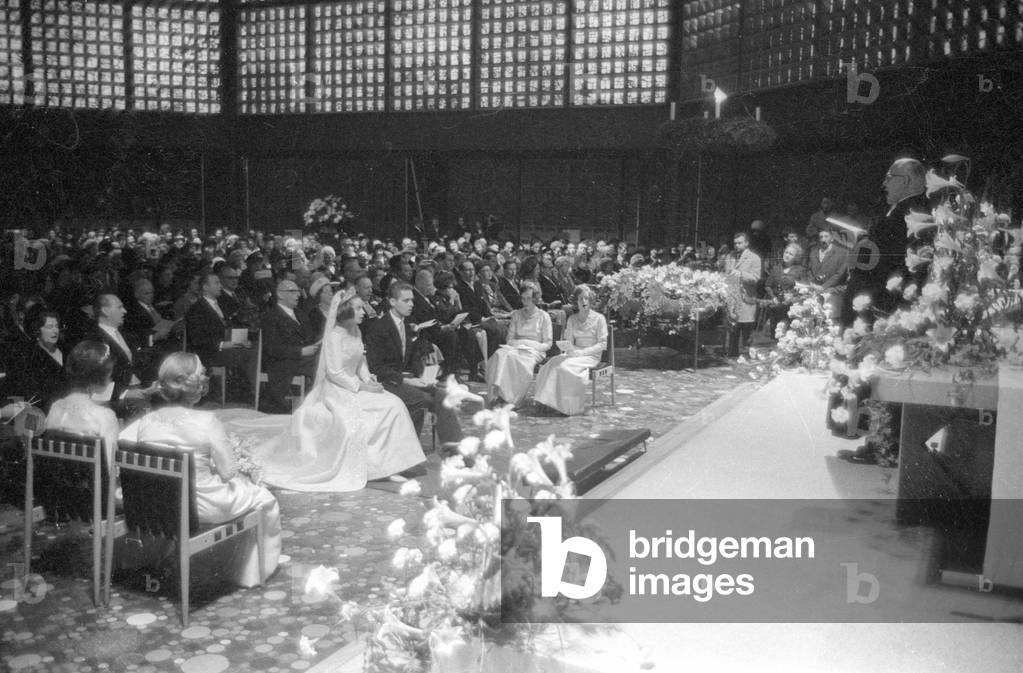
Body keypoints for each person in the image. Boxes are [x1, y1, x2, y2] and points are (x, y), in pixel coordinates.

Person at [218, 289, 427, 491]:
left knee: (394, 404)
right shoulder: (335, 335)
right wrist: (361, 386)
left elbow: (360, 360)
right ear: (346, 311)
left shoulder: (357, 330)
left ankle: (391, 463)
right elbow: (335, 372)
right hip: (338, 389)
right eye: (359, 308)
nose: (364, 312)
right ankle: (374, 467)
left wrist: (368, 377)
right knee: (359, 419)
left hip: (355, 383)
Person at [119, 353, 281, 587]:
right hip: (201, 507)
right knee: (265, 498)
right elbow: (227, 473)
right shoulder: (207, 421)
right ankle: (250, 574)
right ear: (195, 385)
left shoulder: (147, 421)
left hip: (157, 505)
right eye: (202, 373)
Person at [365, 282, 463, 447]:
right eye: (406, 300)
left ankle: (455, 449)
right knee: (421, 400)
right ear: (392, 302)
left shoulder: (407, 323)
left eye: (412, 300)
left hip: (405, 378)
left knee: (443, 395)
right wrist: (407, 381)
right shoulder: (379, 328)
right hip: (386, 381)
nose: (411, 304)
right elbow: (376, 368)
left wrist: (424, 375)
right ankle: (408, 453)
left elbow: (412, 358)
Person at [842, 157, 929, 325]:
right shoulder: (899, 210)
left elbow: (886, 259)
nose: (884, 184)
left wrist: (862, 246)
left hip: (883, 298)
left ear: (904, 181)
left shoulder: (909, 213)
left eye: (889, 178)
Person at [533, 285, 607, 416]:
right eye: (580, 299)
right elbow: (569, 340)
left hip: (591, 355)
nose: (583, 302)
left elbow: (602, 344)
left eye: (586, 298)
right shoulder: (572, 319)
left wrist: (581, 353)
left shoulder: (599, 318)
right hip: (574, 353)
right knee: (550, 364)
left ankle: (564, 406)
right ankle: (545, 402)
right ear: (575, 302)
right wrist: (568, 348)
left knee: (564, 367)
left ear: (591, 300)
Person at [46, 341, 120, 466]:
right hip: (95, 484)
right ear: (99, 377)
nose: (110, 379)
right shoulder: (105, 416)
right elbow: (109, 468)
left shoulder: (56, 407)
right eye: (109, 374)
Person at [485, 282, 552, 408]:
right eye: (523, 298)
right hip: (515, 347)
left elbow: (548, 343)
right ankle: (498, 393)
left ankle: (512, 399)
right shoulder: (516, 314)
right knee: (499, 354)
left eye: (529, 298)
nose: (525, 301)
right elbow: (509, 339)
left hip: (534, 350)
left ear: (535, 299)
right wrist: (519, 343)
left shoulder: (544, 316)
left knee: (514, 359)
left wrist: (529, 344)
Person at [259, 280, 320, 414]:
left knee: (326, 359)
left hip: (305, 358)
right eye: (292, 291)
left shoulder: (301, 314)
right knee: (321, 364)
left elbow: (310, 337)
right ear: (280, 295)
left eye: (298, 291)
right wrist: (301, 351)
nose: (297, 295)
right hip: (284, 362)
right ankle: (316, 404)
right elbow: (271, 348)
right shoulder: (271, 316)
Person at [11, 306, 66, 412]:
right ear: (37, 330)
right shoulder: (30, 356)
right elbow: (32, 394)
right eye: (49, 327)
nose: (55, 331)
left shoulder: (65, 349)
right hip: (45, 411)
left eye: (56, 326)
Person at [727, 232, 763, 352]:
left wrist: (741, 274)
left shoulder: (754, 258)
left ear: (746, 243)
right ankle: (732, 355)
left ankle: (747, 354)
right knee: (733, 329)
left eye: (740, 243)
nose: (737, 245)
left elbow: (756, 278)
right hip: (733, 298)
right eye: (735, 243)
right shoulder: (730, 257)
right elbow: (727, 274)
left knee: (746, 329)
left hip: (746, 297)